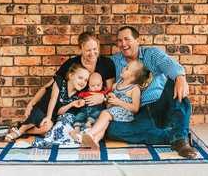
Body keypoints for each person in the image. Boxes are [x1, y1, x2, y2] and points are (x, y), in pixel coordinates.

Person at [107, 26, 197, 159]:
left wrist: (180, 77)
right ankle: (176, 136)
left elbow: (170, 65)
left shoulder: (151, 54)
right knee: (111, 130)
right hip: (137, 112)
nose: (123, 44)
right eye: (119, 41)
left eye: (127, 39)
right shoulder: (115, 61)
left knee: (176, 84)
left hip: (159, 105)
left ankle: (180, 140)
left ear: (138, 40)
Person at [32, 32, 116, 146]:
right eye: (88, 50)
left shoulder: (107, 63)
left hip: (96, 108)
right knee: (63, 124)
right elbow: (51, 84)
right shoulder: (72, 64)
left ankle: (90, 139)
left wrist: (103, 97)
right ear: (80, 49)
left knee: (98, 123)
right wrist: (31, 104)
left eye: (95, 49)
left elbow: (111, 90)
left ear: (99, 46)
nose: (92, 53)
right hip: (74, 108)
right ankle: (70, 136)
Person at [4, 63, 89, 142]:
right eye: (80, 78)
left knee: (47, 128)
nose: (83, 82)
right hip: (42, 109)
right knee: (38, 117)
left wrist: (72, 104)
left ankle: (23, 132)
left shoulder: (77, 96)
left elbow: (60, 111)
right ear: (71, 76)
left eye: (86, 80)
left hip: (53, 116)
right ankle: (20, 130)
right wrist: (48, 117)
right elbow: (53, 99)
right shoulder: (60, 82)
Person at [81, 60, 151, 149]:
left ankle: (90, 134)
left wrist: (118, 102)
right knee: (104, 124)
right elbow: (109, 101)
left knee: (105, 114)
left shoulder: (134, 89)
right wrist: (110, 97)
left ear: (132, 77)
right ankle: (95, 141)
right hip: (113, 110)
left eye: (127, 68)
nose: (123, 68)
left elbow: (135, 108)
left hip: (125, 113)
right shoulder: (116, 85)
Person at [69, 72, 110, 141]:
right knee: (79, 115)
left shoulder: (103, 92)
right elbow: (79, 98)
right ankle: (76, 128)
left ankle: (89, 123)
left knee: (98, 112)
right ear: (88, 85)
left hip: (97, 110)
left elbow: (109, 96)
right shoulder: (85, 93)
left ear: (102, 83)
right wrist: (81, 101)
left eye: (98, 85)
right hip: (85, 110)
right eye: (93, 86)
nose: (96, 87)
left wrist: (105, 97)